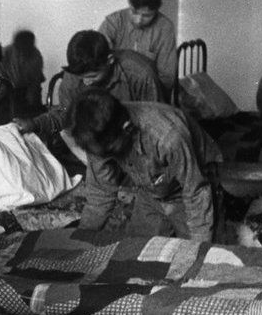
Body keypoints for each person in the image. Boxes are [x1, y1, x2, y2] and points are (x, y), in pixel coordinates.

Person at [70, 89, 221, 242]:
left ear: (127, 129)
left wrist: (198, 247)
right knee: (134, 253)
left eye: (109, 151)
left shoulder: (167, 137)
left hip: (196, 183)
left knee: (201, 254)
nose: (103, 157)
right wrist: (81, 238)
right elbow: (100, 192)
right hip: (151, 190)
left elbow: (196, 192)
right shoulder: (95, 135)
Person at [17, 30, 163, 137]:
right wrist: (35, 123)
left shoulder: (140, 74)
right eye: (82, 77)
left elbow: (156, 122)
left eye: (93, 76)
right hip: (97, 139)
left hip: (135, 136)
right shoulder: (73, 76)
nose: (86, 82)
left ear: (110, 60)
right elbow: (65, 114)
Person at [98, 0, 177, 92]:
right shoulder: (113, 22)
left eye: (147, 16)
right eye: (134, 12)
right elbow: (98, 62)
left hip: (150, 93)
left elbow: (167, 78)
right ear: (129, 0)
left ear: (158, 7)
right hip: (114, 91)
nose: (138, 20)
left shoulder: (165, 28)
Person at [0, 29, 45, 119]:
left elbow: (35, 82)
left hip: (27, 93)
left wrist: (33, 103)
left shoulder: (36, 55)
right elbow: (0, 80)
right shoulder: (5, 53)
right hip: (5, 93)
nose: (24, 52)